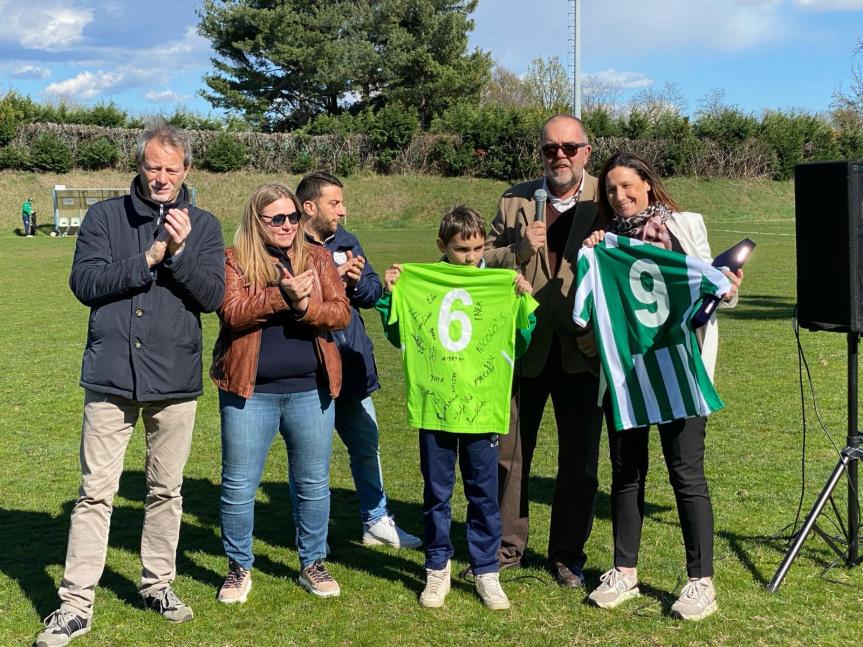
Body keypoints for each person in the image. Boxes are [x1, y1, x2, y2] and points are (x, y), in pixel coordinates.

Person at [35, 124, 225, 647]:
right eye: (152, 167)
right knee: (95, 493)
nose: (161, 178)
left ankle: (158, 584)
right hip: (111, 375)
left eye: (171, 169)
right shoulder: (104, 217)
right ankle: (75, 604)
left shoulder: (205, 226)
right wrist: (149, 258)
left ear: (186, 171)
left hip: (175, 380)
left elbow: (212, 297)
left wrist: (181, 254)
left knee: (166, 490)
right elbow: (85, 284)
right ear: (138, 167)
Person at [581, 151, 742, 620]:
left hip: (678, 369)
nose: (620, 196)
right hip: (627, 374)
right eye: (611, 190)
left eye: (628, 186)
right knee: (626, 472)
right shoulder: (604, 242)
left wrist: (728, 289)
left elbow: (711, 285)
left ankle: (700, 582)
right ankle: (624, 571)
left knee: (685, 473)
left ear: (648, 184)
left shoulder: (685, 226)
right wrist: (593, 252)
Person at [376, 206, 536, 610]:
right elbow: (400, 336)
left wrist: (523, 307)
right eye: (461, 249)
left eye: (478, 247)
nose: (471, 256)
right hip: (437, 408)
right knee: (436, 493)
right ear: (442, 246)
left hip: (482, 407)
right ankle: (437, 568)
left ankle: (486, 571)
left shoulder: (497, 284)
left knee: (484, 494)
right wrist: (390, 295)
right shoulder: (423, 283)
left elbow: (520, 344)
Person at [210, 182, 351, 603]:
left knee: (312, 482)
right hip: (249, 392)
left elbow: (340, 312)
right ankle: (239, 568)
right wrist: (281, 297)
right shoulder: (234, 261)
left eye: (293, 217)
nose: (288, 225)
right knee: (239, 485)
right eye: (278, 219)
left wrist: (306, 309)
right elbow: (231, 313)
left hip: (311, 391)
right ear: (257, 222)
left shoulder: (319, 258)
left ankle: (312, 562)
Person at [483, 114, 606, 587]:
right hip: (524, 346)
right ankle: (506, 548)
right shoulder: (515, 199)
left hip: (583, 348)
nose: (560, 156)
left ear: (586, 151)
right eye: (550, 148)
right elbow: (475, 258)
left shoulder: (607, 196)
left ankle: (567, 555)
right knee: (509, 455)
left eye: (569, 148)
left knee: (579, 461)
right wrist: (514, 248)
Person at [295, 171, 420, 548]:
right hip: (309, 365)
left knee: (366, 445)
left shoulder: (347, 241)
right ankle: (311, 535)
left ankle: (376, 520)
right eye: (335, 203)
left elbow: (370, 292)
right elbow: (291, 297)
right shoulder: (289, 242)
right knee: (310, 457)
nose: (343, 211)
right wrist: (333, 278)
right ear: (309, 206)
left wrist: (353, 283)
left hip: (351, 360)